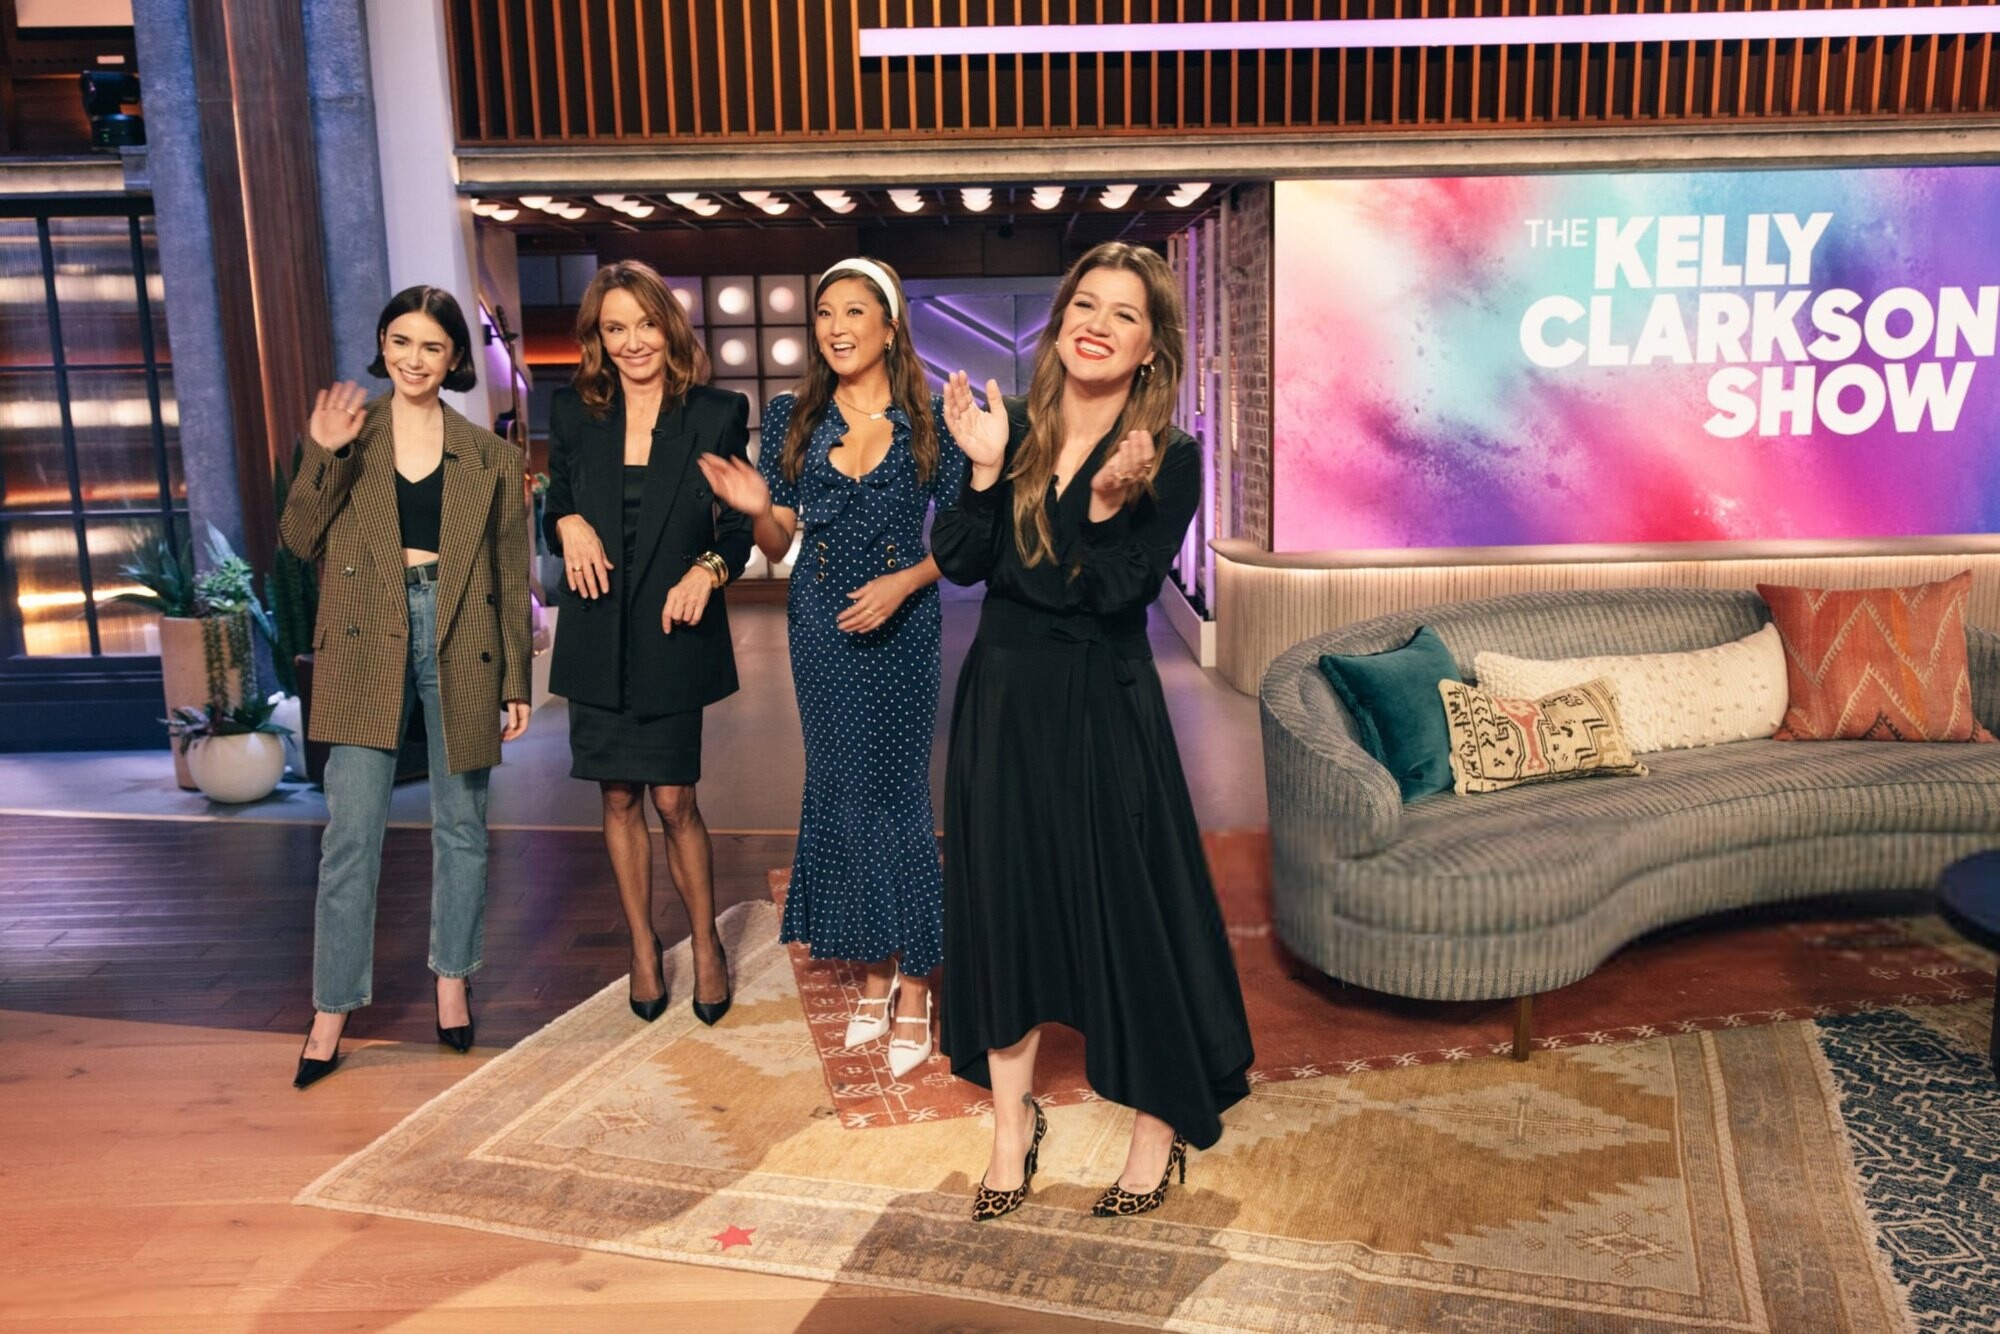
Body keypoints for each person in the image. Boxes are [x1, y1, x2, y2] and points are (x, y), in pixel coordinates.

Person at [932, 242, 1254, 1219]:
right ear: (1062, 317)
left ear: (1151, 346)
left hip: (1100, 706)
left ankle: (1156, 1127)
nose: (1098, 323)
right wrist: (984, 470)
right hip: (1002, 702)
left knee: (1126, 914)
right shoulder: (1015, 428)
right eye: (1085, 303)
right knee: (1004, 910)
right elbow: (960, 559)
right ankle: (1010, 1129)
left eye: (1124, 313)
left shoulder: (1169, 455)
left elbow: (1114, 593)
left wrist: (1108, 508)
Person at [700, 258, 965, 1079]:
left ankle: (916, 983)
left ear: (890, 324)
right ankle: (875, 971)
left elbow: (967, 542)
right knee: (842, 793)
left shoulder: (932, 421)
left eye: (855, 310)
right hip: (818, 626)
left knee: (897, 797)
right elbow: (781, 539)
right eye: (825, 312)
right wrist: (757, 511)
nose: (837, 327)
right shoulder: (794, 415)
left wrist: (903, 584)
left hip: (903, 624)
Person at [281, 284, 533, 1089]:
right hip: (363, 632)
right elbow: (297, 540)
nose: (413, 359)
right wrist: (323, 453)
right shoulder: (348, 434)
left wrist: (516, 678)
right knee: (350, 834)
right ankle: (330, 1010)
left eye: (431, 345)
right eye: (400, 341)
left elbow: (508, 573)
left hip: (462, 634)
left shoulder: (491, 457)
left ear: (455, 357)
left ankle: (453, 982)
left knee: (463, 825)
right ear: (382, 344)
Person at [543, 260, 749, 1027]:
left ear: (669, 326)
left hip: (672, 630)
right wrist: (565, 521)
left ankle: (707, 943)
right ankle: (641, 946)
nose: (632, 342)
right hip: (597, 630)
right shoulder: (573, 412)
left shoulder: (716, 412)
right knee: (618, 795)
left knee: (673, 798)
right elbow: (558, 503)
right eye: (614, 328)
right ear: (597, 338)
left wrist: (708, 568)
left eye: (645, 324)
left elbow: (739, 528)